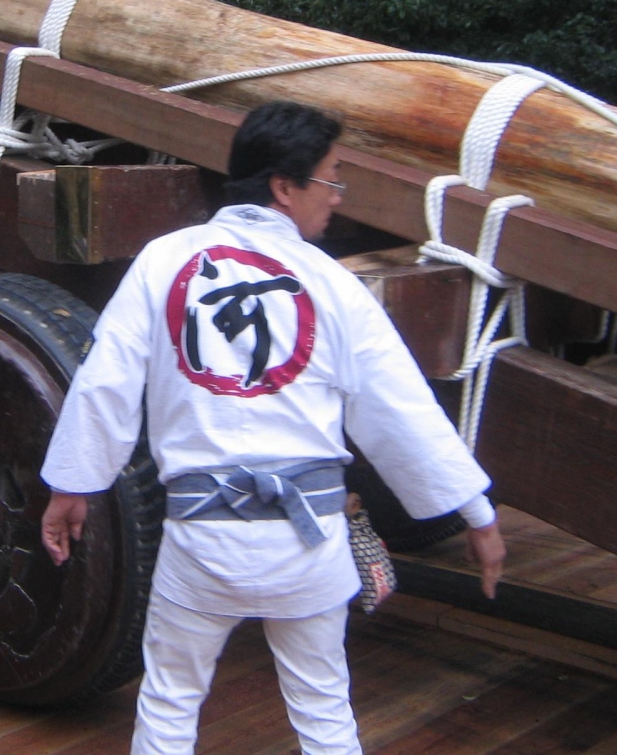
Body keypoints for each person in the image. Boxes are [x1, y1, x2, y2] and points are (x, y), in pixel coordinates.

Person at [39, 101, 506, 755]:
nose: (336, 200)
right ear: (284, 187)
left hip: (201, 540)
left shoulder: (164, 260)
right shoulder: (334, 285)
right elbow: (400, 408)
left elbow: (105, 382)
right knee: (323, 711)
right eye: (332, 180)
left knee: (170, 702)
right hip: (307, 545)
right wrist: (476, 514)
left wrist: (72, 487)